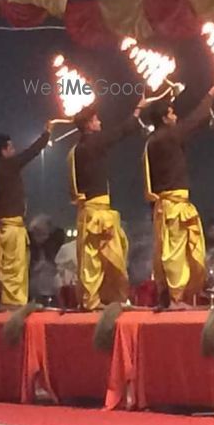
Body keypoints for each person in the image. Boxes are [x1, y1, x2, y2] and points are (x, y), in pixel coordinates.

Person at [143, 87, 214, 308]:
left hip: (162, 206)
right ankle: (176, 299)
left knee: (165, 253)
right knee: (175, 253)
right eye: (171, 113)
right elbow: (195, 120)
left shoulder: (152, 141)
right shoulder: (168, 136)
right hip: (173, 205)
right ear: (164, 118)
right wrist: (210, 96)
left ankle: (166, 298)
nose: (175, 117)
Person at [68, 98, 146, 309]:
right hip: (98, 212)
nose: (100, 122)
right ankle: (104, 299)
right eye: (96, 120)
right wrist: (138, 110)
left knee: (96, 258)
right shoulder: (94, 143)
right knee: (108, 258)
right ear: (89, 125)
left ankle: (98, 299)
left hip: (89, 211)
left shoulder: (76, 150)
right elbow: (121, 132)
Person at [0, 121, 52, 307]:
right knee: (14, 270)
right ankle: (12, 307)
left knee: (2, 270)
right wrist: (46, 134)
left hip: (0, 230)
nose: (14, 151)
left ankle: (1, 304)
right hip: (11, 230)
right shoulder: (7, 166)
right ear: (4, 151)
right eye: (11, 147)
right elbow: (31, 152)